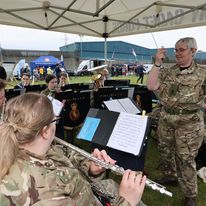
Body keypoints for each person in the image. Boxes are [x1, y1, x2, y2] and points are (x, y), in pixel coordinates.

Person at [0, 93, 146, 206]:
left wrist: (89, 166)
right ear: (45, 131)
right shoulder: (43, 192)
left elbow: (62, 154)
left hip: (89, 193)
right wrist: (127, 200)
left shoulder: (27, 146)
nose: (55, 124)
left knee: (113, 186)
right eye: (54, 120)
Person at [146, 37, 206, 206]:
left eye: (181, 49)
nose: (177, 53)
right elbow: (151, 86)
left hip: (190, 123)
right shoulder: (168, 71)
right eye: (176, 49)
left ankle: (190, 195)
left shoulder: (202, 73)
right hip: (167, 119)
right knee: (165, 150)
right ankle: (171, 176)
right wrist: (158, 62)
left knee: (185, 158)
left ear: (192, 51)